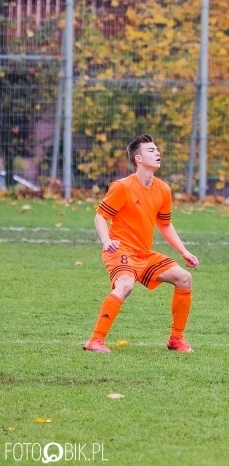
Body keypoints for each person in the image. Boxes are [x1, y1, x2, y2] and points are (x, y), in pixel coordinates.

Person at [83, 135, 199, 354]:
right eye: (151, 150)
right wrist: (106, 241)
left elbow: (165, 225)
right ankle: (95, 340)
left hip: (144, 255)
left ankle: (176, 339)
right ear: (138, 158)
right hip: (120, 251)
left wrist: (184, 251)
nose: (157, 153)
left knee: (184, 278)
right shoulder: (123, 187)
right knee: (125, 285)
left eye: (157, 149)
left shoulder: (163, 189)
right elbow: (100, 217)